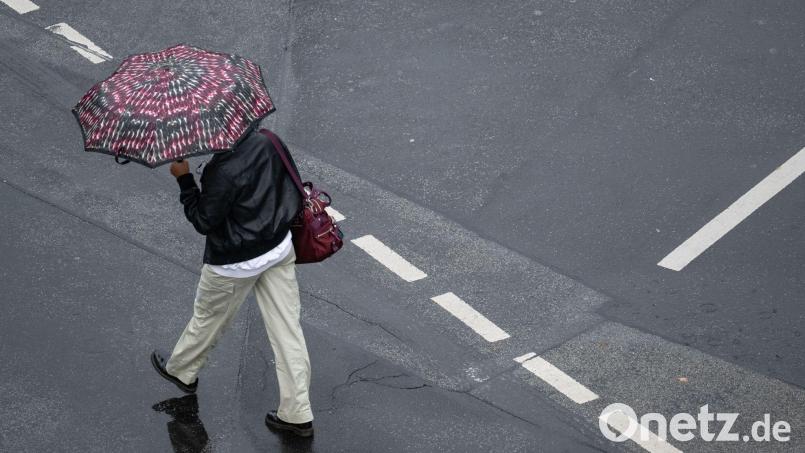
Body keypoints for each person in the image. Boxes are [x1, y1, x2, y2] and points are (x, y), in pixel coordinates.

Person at [149, 127, 315, 438]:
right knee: (288, 331)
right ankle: (297, 413)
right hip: (278, 248)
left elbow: (204, 220)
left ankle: (182, 370)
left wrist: (185, 179)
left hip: (234, 263)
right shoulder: (268, 140)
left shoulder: (222, 170)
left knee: (208, 318)